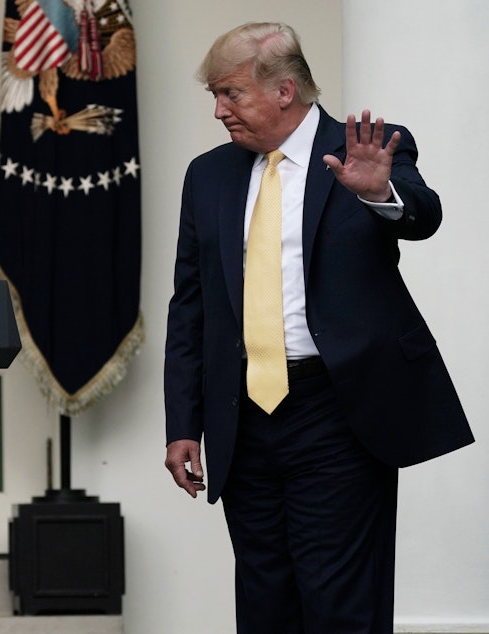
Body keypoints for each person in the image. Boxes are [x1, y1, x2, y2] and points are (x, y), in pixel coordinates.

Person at [163, 22, 474, 633]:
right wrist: (184, 422)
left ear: (284, 89)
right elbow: (190, 306)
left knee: (339, 605)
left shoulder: (368, 147)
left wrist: (379, 190)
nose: (220, 111)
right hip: (244, 415)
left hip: (339, 412)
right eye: (215, 98)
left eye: (231, 94)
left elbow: (422, 214)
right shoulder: (208, 175)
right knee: (264, 600)